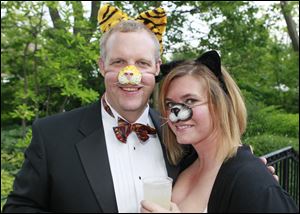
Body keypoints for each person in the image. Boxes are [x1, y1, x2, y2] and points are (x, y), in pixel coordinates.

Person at [2, 4, 277, 213]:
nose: (129, 74)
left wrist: (246, 177)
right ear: (102, 66)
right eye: (119, 62)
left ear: (156, 68)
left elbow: (218, 169)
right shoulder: (52, 136)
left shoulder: (181, 136)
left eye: (142, 63)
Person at [140, 50, 299, 213]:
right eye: (169, 104)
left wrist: (254, 185)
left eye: (190, 100)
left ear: (220, 104)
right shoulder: (185, 161)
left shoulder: (250, 179)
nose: (175, 114)